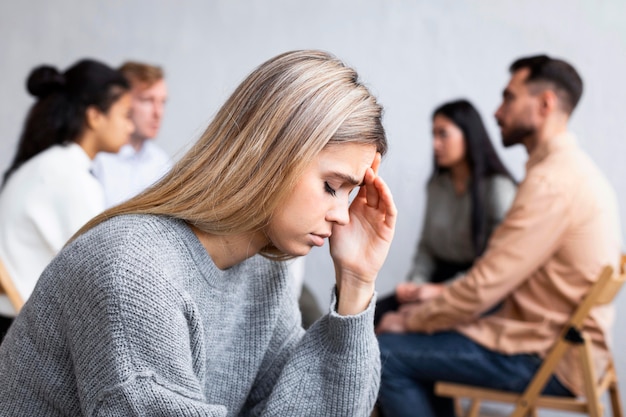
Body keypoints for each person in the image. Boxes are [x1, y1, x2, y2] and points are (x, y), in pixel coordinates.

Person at [0, 50, 397, 416]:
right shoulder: (135, 271)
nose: (342, 216)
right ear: (271, 154)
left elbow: (302, 407)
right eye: (332, 186)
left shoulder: (263, 270)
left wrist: (357, 283)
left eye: (351, 194)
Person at [376, 55, 621, 417]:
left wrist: (412, 321)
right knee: (407, 341)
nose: (497, 112)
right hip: (562, 347)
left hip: (545, 356)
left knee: (384, 352)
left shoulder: (551, 184)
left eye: (508, 98)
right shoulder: (575, 172)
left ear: (545, 104)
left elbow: (484, 286)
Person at [0, 59, 133, 340]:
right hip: (15, 331)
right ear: (94, 116)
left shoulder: (51, 164)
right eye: (125, 115)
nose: (131, 127)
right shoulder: (69, 176)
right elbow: (97, 272)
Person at [375, 99, 516, 325]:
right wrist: (416, 285)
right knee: (371, 318)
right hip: (434, 281)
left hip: (475, 289)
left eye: (443, 134)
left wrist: (440, 290)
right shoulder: (437, 185)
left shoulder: (498, 189)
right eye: (433, 134)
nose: (435, 144)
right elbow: (427, 247)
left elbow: (499, 263)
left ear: (469, 135)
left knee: (392, 328)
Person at [92, 61, 172, 208]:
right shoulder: (97, 159)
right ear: (122, 102)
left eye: (163, 102)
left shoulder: (161, 163)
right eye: (147, 100)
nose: (158, 113)